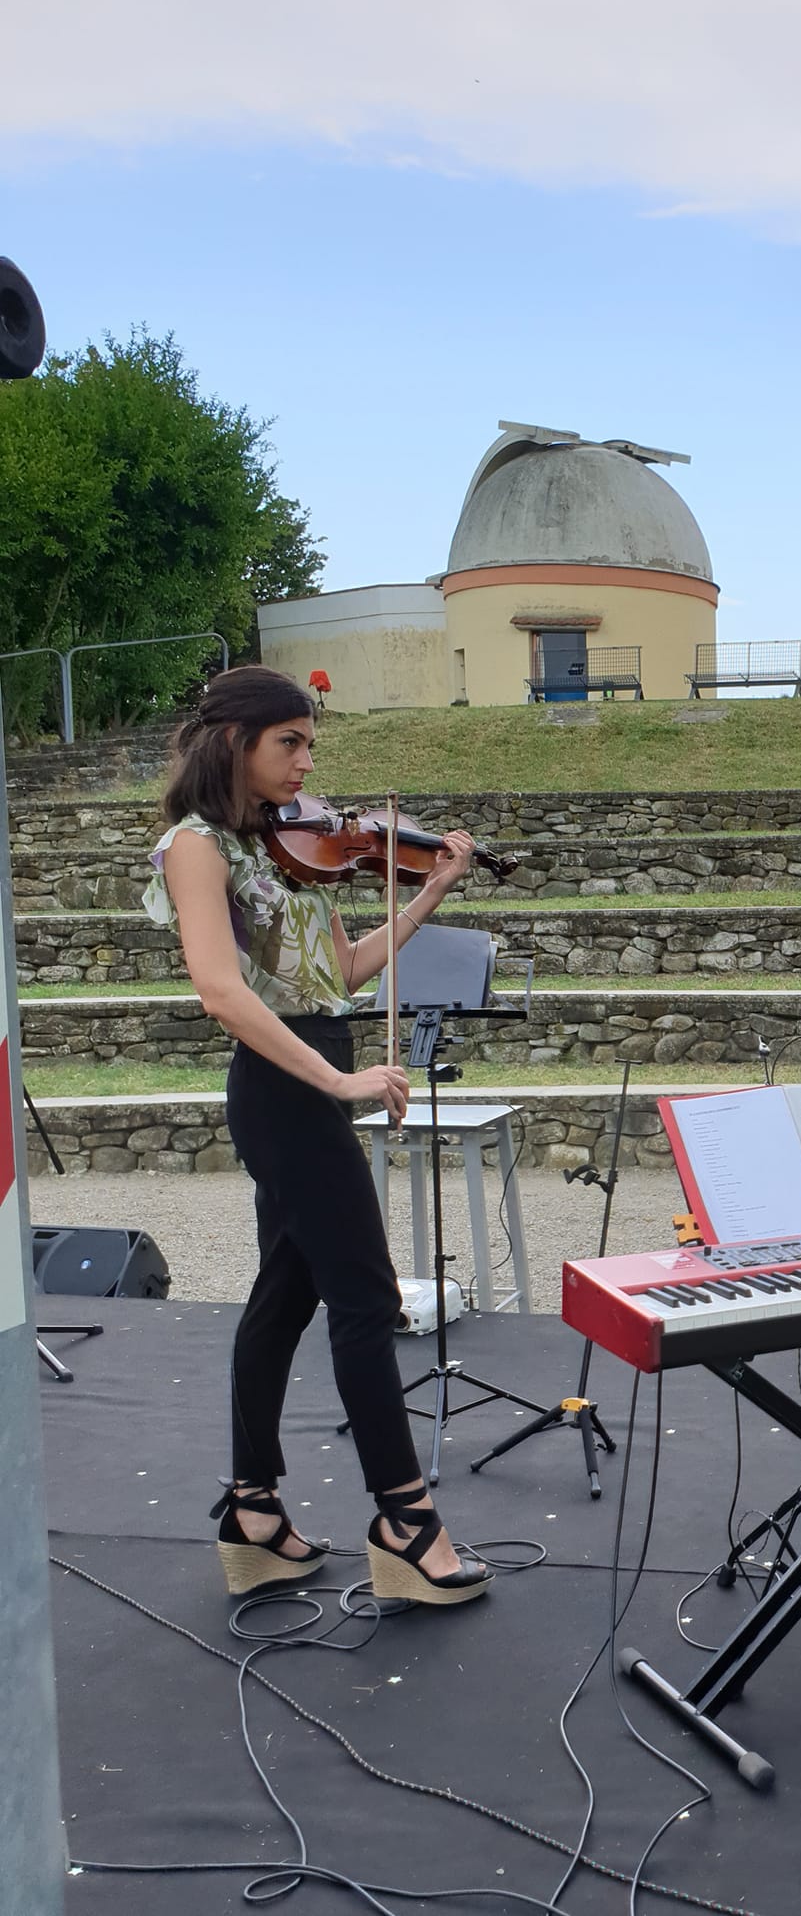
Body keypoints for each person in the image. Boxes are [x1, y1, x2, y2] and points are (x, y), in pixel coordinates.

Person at [144, 665, 491, 1608]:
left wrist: (424, 895)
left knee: (284, 1296)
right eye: (288, 742)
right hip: (282, 1084)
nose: (305, 761)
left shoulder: (293, 848)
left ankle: (253, 1511)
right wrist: (338, 1078)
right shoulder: (197, 846)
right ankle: (404, 1518)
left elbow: (340, 971)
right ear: (233, 743)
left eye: (309, 743)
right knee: (366, 1296)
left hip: (316, 1065)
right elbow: (220, 990)